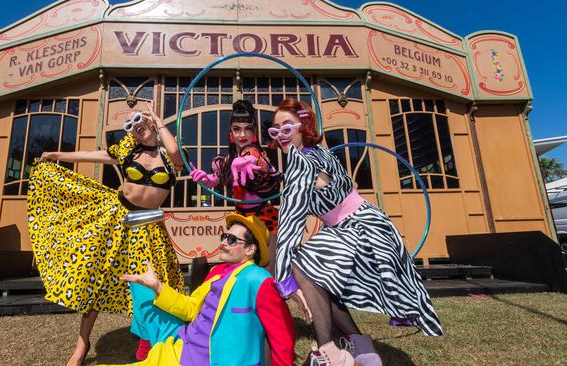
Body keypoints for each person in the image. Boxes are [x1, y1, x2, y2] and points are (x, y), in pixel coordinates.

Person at [270, 98, 443, 366]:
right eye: (275, 130)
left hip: (357, 228)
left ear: (303, 125)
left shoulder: (302, 162)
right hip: (367, 223)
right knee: (325, 279)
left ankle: (328, 352)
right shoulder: (318, 152)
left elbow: (291, 220)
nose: (280, 135)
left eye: (286, 127)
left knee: (303, 266)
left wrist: (283, 280)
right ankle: (362, 348)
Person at [27, 102, 184, 366]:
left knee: (156, 282)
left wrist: (158, 120)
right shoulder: (127, 150)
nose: (136, 128)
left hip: (149, 226)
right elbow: (95, 155)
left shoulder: (169, 155)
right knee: (97, 280)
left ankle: (158, 341)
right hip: (117, 218)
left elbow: (175, 151)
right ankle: (81, 345)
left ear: (149, 120)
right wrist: (57, 154)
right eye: (130, 127)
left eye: (138, 121)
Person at [116, 213, 295, 366]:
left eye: (232, 240)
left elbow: (282, 337)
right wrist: (157, 286)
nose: (224, 242)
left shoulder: (258, 280)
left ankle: (146, 351)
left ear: (250, 249)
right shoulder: (217, 271)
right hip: (183, 344)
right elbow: (191, 308)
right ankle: (145, 349)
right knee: (140, 288)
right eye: (224, 236)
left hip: (208, 359)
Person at [188, 99, 282, 273]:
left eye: (247, 128)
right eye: (237, 129)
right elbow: (216, 179)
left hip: (265, 220)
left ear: (254, 133)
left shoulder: (255, 153)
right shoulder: (225, 162)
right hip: (241, 220)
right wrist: (206, 179)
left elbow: (256, 160)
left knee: (268, 272)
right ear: (231, 133)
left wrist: (245, 160)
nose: (242, 134)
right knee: (241, 270)